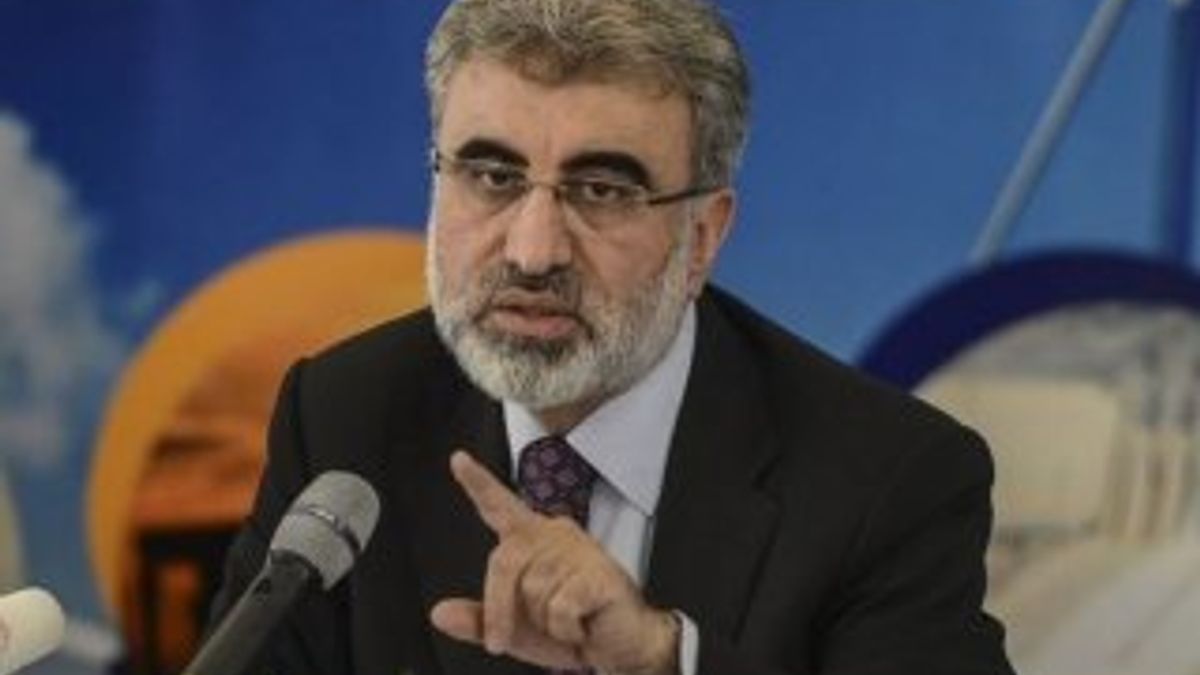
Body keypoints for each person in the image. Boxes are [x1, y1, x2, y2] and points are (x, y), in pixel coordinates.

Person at [211, 0, 1016, 673]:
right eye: (492, 177)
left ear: (703, 236)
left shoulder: (886, 480)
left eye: (600, 190)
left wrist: (665, 659)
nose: (533, 251)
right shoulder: (344, 416)